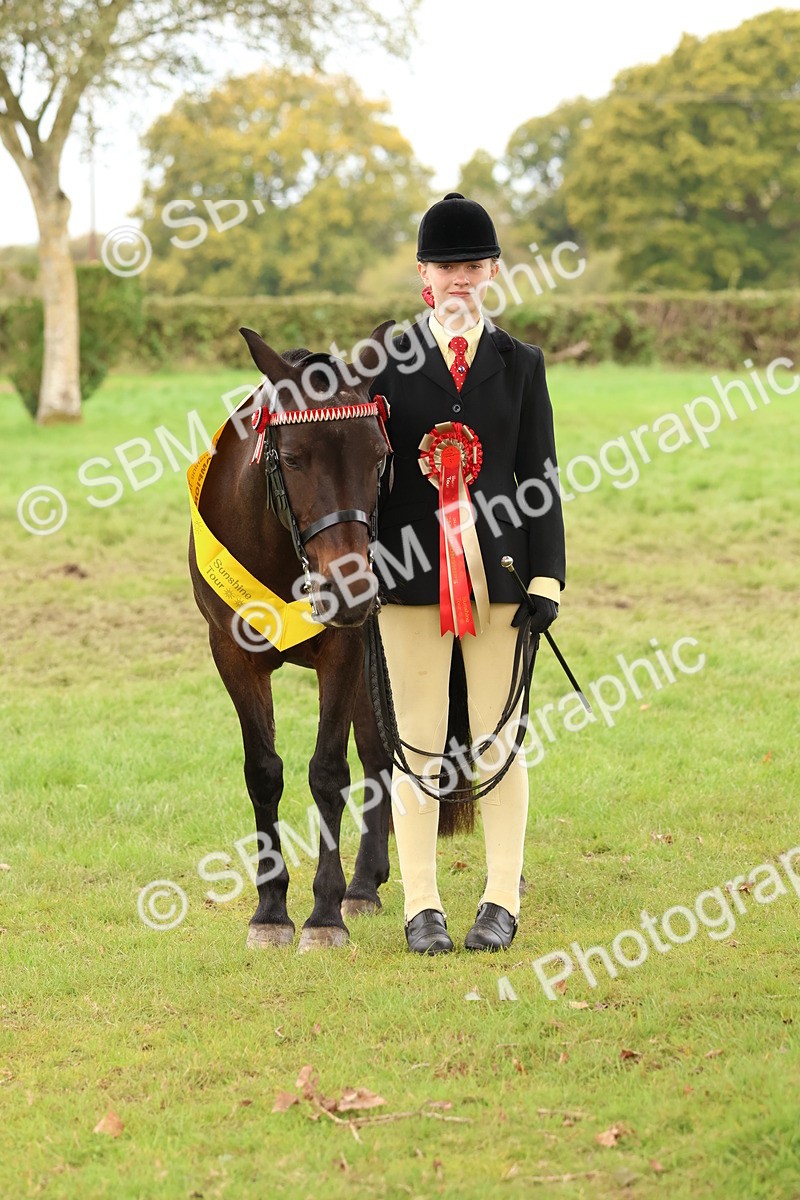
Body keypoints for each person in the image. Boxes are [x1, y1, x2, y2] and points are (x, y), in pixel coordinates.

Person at [369, 192, 566, 954]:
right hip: (408, 579)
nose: (459, 277)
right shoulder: (385, 364)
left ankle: (498, 898)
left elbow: (540, 476)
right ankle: (421, 905)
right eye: (446, 265)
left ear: (491, 271)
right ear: (424, 272)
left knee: (498, 741)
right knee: (416, 743)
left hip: (502, 582)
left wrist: (547, 578)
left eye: (472, 264)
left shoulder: (522, 365)